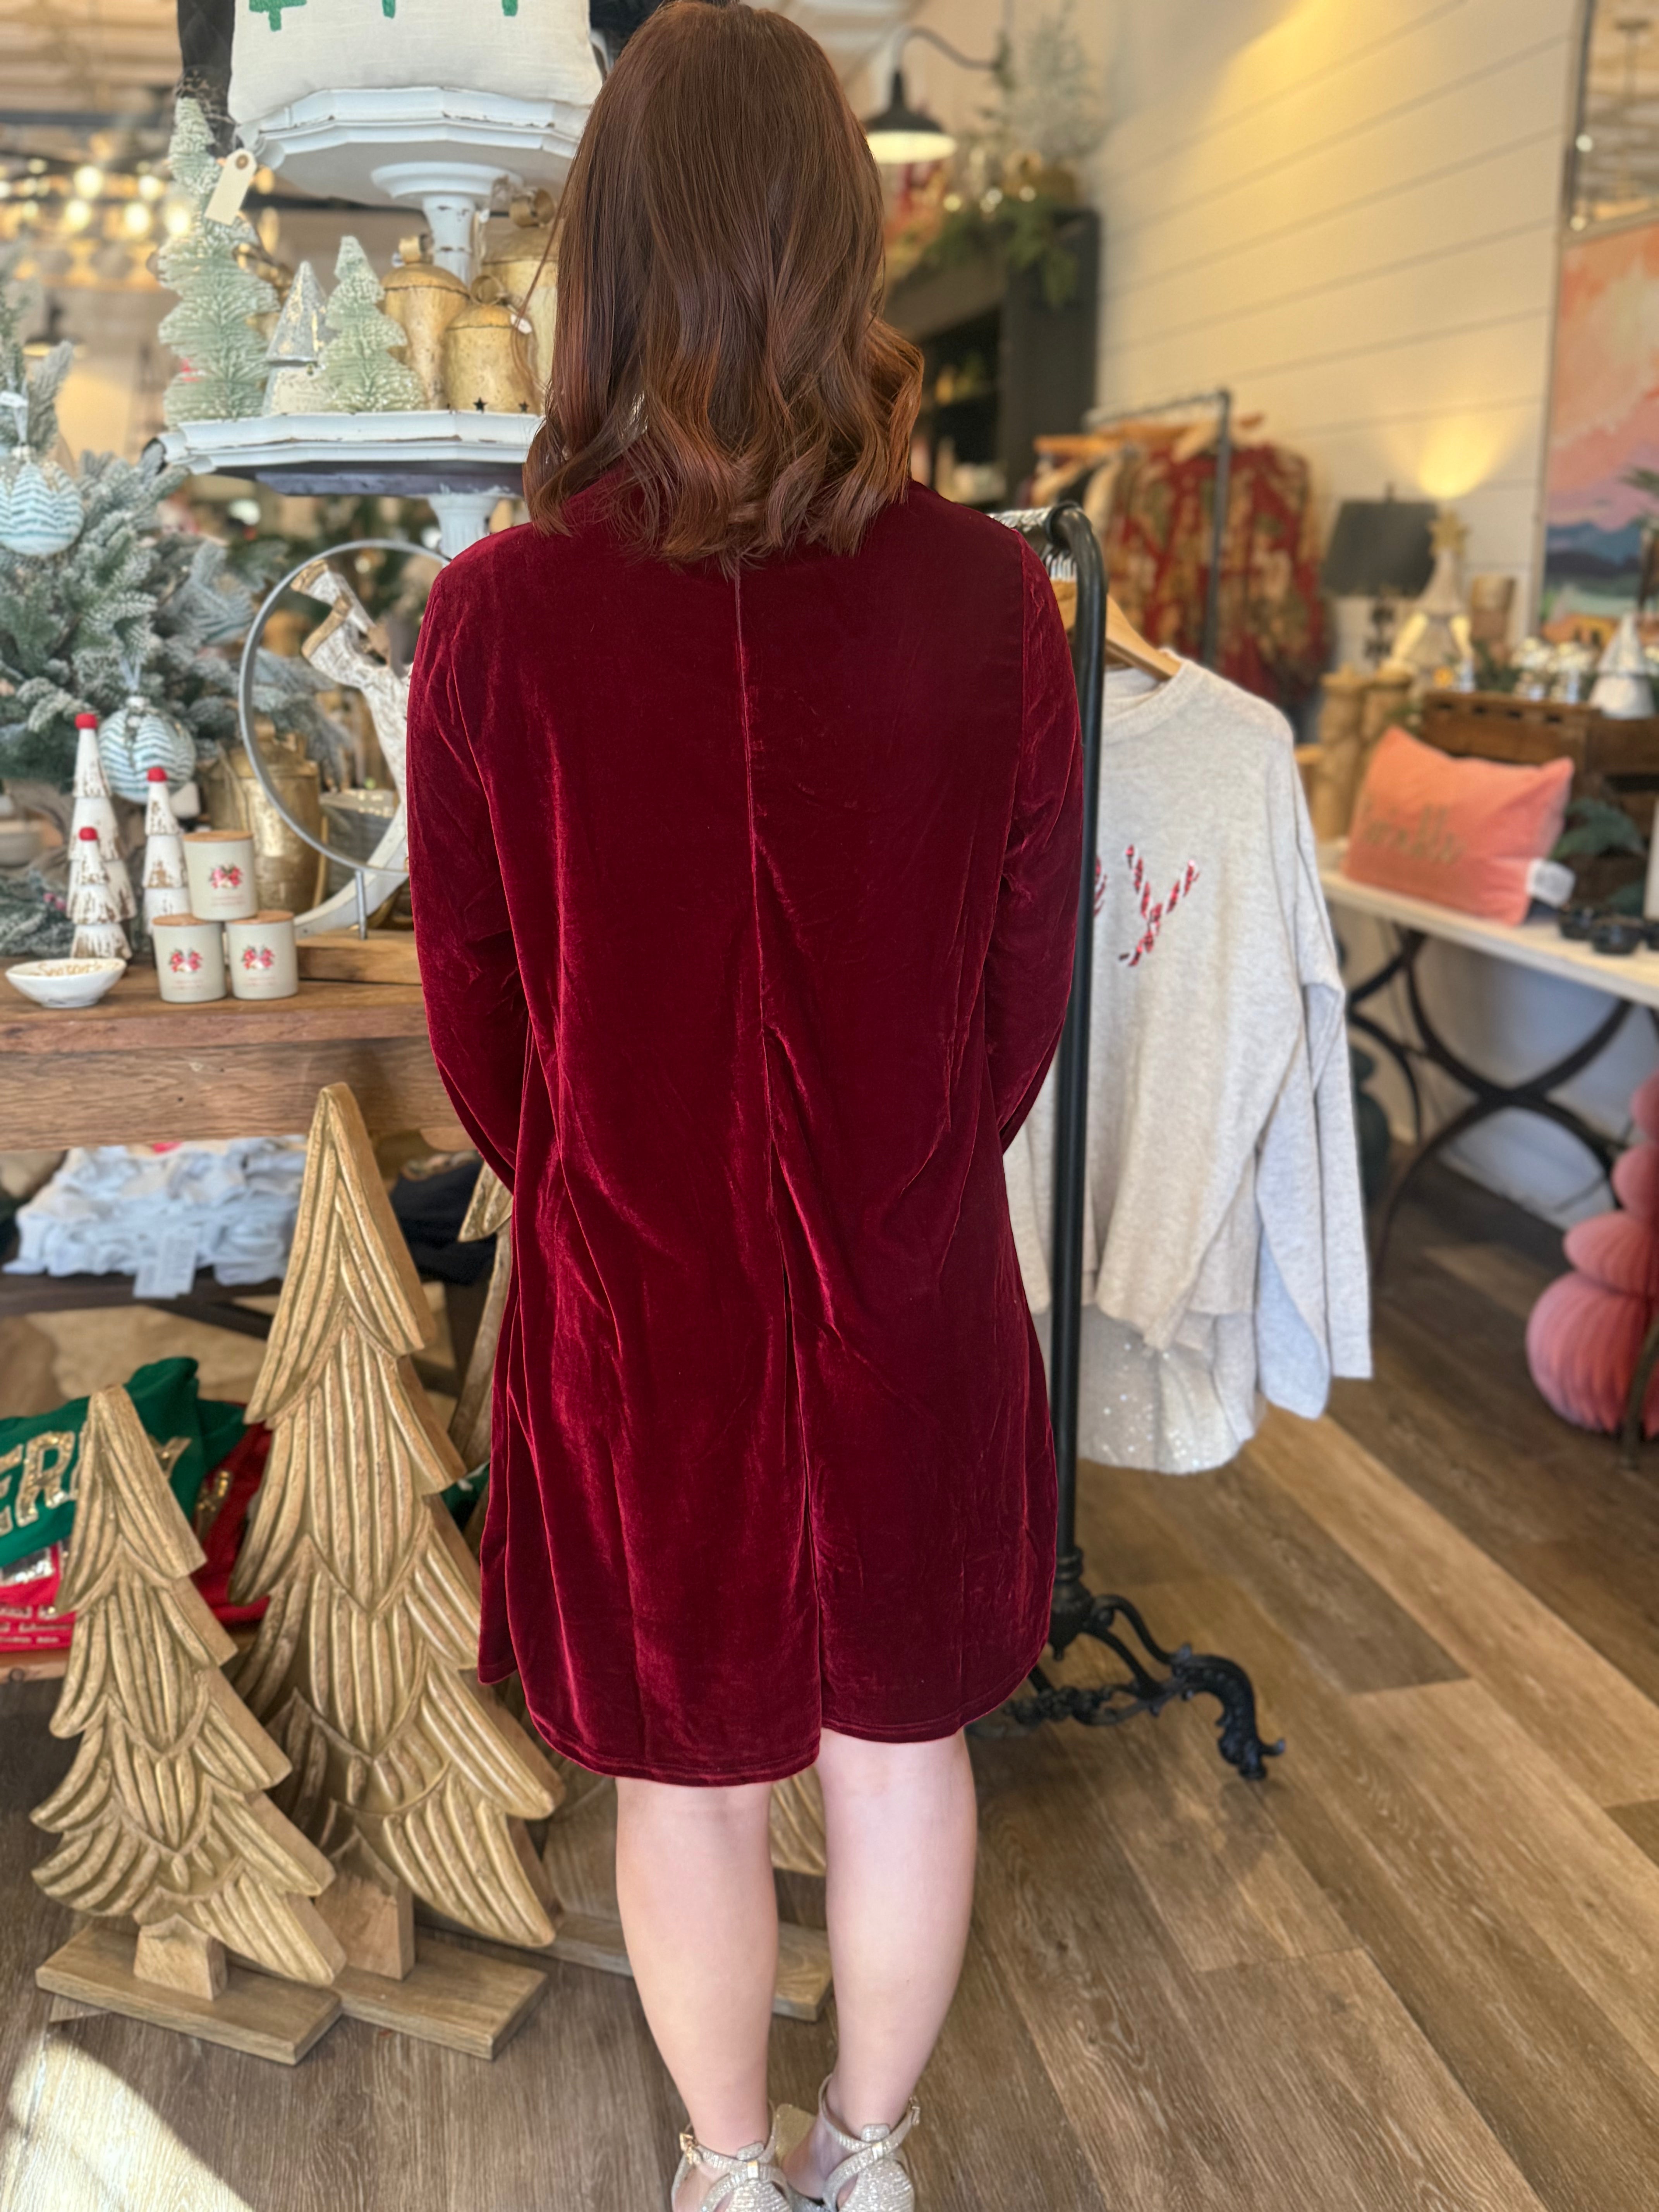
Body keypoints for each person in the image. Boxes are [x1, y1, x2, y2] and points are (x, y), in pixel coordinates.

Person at [404, 4, 1082, 2203]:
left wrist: (603, 1175)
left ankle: (728, 2174)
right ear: (843, 244)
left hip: (642, 1299)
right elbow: (1020, 989)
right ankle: (865, 2161)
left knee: (683, 1783)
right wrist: (903, 1173)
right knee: (901, 1750)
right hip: (909, 1270)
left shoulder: (494, 621)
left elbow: (479, 1013)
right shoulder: (994, 600)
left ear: (605, 252)